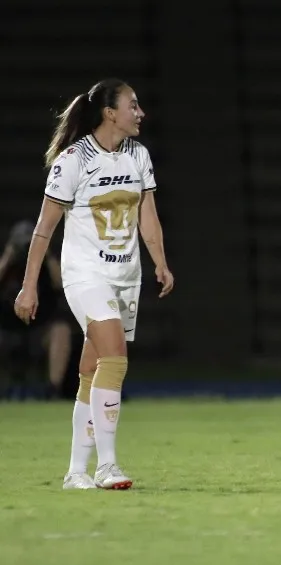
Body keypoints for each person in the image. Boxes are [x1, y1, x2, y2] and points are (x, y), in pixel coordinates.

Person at [14, 78, 175, 490]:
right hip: (85, 274)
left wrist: (160, 262)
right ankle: (107, 466)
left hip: (126, 275)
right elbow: (43, 231)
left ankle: (75, 472)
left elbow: (148, 216)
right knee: (116, 358)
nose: (140, 113)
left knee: (91, 370)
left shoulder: (138, 155)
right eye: (133, 106)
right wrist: (28, 286)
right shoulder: (74, 160)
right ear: (110, 113)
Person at [0, 221, 73, 399]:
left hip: (39, 328)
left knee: (61, 330)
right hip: (6, 329)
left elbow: (62, 285)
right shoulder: (8, 265)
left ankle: (53, 389)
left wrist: (45, 254)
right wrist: (8, 256)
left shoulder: (45, 265)